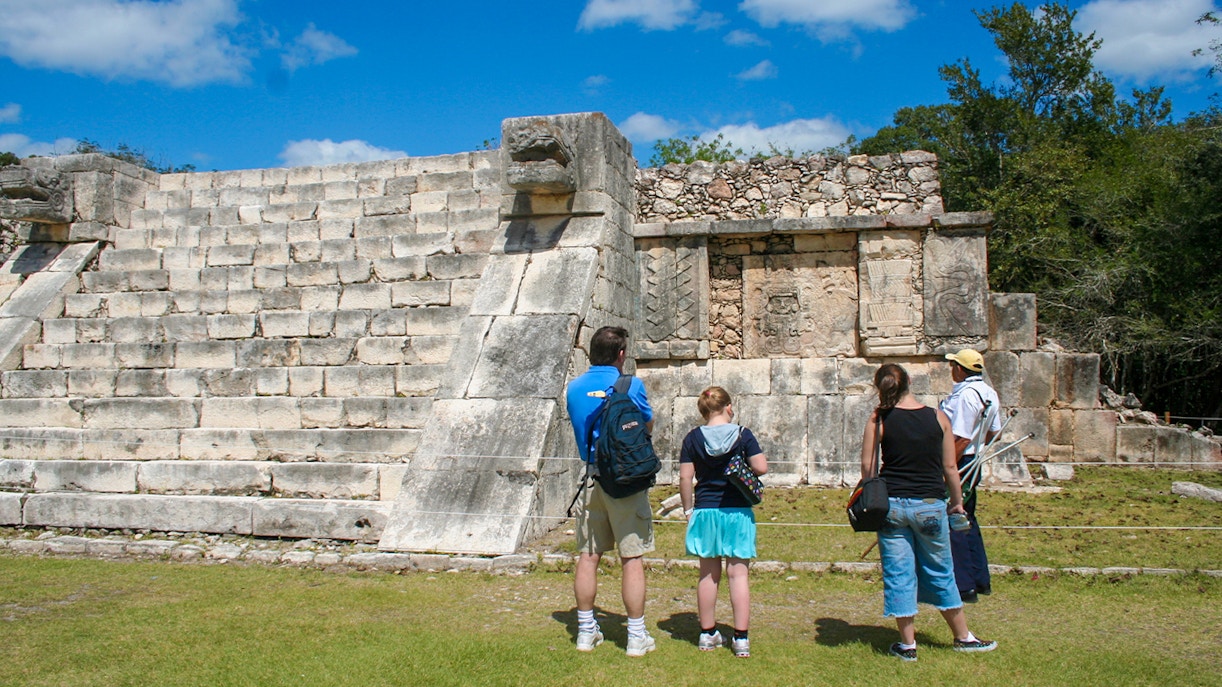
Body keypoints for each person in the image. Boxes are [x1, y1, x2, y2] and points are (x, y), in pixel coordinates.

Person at [861, 363, 997, 662]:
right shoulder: (938, 417)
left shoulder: (879, 418)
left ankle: (908, 644)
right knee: (941, 570)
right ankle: (963, 636)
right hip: (930, 504)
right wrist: (957, 502)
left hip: (893, 505)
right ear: (909, 382)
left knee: (899, 574)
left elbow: (868, 469)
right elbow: (950, 467)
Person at [564, 326, 656, 657]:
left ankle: (586, 632)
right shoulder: (631, 385)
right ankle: (635, 636)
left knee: (588, 557)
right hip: (625, 482)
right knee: (631, 557)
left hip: (591, 478)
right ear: (620, 354)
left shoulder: (574, 388)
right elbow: (646, 425)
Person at [678, 387, 768, 658]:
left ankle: (707, 633)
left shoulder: (692, 438)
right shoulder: (743, 435)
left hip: (705, 510)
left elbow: (685, 478)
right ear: (728, 407)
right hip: (737, 510)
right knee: (738, 574)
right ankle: (741, 638)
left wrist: (687, 510)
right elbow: (761, 467)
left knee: (707, 573)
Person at [941, 348, 1002, 603]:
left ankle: (964, 585)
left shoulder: (966, 396)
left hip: (960, 459)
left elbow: (961, 437)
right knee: (969, 518)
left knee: (955, 519)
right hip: (973, 457)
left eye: (953, 364)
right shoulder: (989, 393)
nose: (951, 368)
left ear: (960, 368)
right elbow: (993, 432)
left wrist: (946, 469)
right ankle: (980, 578)